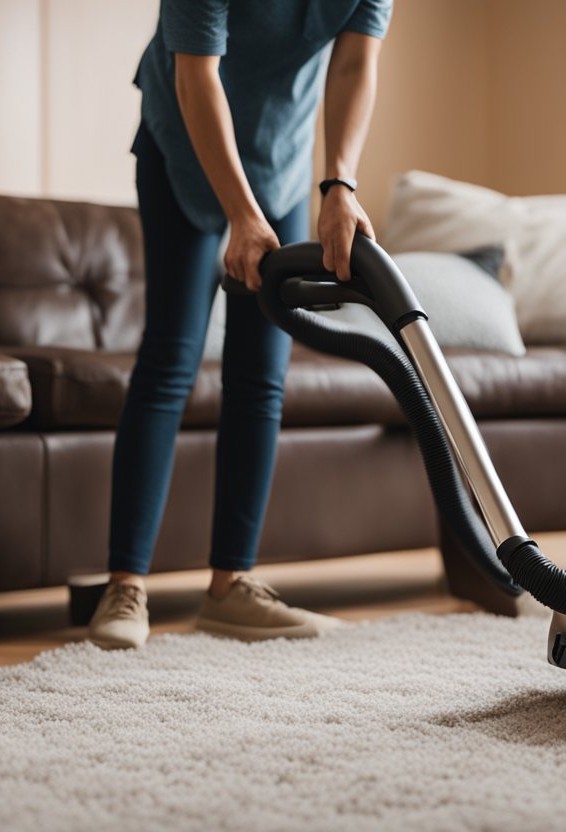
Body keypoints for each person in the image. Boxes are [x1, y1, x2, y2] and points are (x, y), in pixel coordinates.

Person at [88, 0, 393, 649]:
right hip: (183, 140)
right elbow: (195, 76)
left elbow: (355, 64)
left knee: (261, 375)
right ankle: (125, 586)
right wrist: (240, 214)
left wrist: (339, 184)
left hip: (277, 151)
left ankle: (230, 587)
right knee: (172, 355)